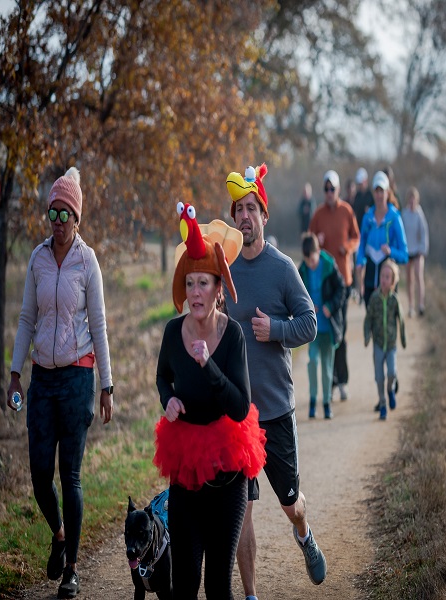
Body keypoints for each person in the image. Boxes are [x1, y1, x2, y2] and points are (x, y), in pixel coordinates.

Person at [6, 167, 114, 600]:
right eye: (52, 211)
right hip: (41, 380)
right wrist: (14, 373)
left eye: (64, 212)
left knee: (69, 474)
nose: (56, 219)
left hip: (76, 376)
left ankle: (71, 570)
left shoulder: (88, 262)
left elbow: (101, 326)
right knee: (37, 475)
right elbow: (27, 319)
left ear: (77, 217)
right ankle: (60, 532)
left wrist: (107, 385)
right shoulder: (37, 257)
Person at [153, 207, 267, 599]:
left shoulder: (232, 335)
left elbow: (239, 407)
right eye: (190, 283)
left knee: (219, 581)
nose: (196, 292)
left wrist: (208, 365)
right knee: (185, 580)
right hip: (186, 468)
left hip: (228, 472)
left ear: (219, 289)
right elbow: (162, 377)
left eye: (204, 283)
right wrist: (167, 400)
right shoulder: (172, 332)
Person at [225, 163, 326, 600]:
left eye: (252, 208)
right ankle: (250, 594)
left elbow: (310, 324)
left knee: (289, 504)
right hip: (238, 415)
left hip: (277, 410)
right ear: (234, 219)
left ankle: (304, 533)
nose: (245, 216)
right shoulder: (225, 271)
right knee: (241, 512)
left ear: (264, 216)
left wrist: (277, 330)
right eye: (239, 210)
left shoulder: (283, 268)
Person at [309, 169, 360, 401]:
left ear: (338, 190)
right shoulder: (318, 214)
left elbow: (356, 238)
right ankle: (330, 382)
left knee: (341, 332)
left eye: (332, 189)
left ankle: (343, 381)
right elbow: (307, 243)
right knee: (326, 333)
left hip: (343, 280)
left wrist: (347, 249)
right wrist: (316, 242)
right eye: (326, 189)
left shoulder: (346, 211)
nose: (329, 192)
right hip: (325, 280)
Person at [298, 232, 345, 419]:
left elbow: (342, 290)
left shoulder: (330, 265)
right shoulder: (302, 270)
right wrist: (307, 305)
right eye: (307, 259)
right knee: (312, 362)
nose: (311, 262)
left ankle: (326, 403)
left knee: (327, 365)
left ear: (318, 251)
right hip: (312, 329)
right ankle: (312, 401)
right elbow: (296, 295)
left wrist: (330, 307)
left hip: (329, 326)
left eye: (313, 258)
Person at [355, 170, 408, 310]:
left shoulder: (395, 217)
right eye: (376, 191)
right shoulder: (368, 218)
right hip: (370, 279)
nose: (379, 195)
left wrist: (390, 251)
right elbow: (361, 245)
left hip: (388, 279)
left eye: (381, 191)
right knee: (371, 322)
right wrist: (360, 261)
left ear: (387, 193)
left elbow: (404, 255)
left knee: (386, 326)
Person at [363, 259, 406, 421]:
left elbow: (400, 320)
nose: (384, 279)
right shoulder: (374, 298)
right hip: (378, 344)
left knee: (392, 373)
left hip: (392, 345)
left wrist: (403, 338)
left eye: (388, 277)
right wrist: (367, 336)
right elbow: (368, 319)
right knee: (379, 377)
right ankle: (382, 404)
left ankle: (391, 390)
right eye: (382, 276)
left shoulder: (395, 300)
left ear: (393, 281)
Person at [401, 186, 429, 317]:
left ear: (417, 200)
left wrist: (422, 250)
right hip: (408, 251)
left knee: (419, 276)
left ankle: (421, 305)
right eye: (410, 199)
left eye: (414, 200)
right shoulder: (404, 214)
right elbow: (402, 233)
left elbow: (424, 233)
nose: (412, 202)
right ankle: (411, 306)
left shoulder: (419, 214)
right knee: (409, 279)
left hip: (418, 251)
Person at [352, 167, 374, 233]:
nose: (360, 186)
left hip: (369, 228)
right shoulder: (357, 196)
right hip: (359, 229)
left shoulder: (371, 195)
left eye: (361, 183)